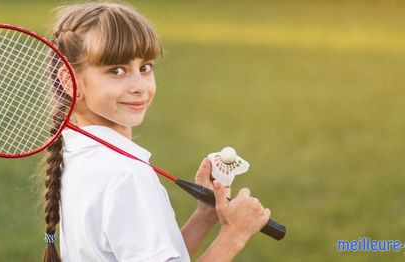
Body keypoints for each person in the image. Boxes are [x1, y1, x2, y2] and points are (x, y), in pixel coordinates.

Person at [41, 2, 271, 261]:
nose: (139, 85)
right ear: (68, 79)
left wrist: (204, 216)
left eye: (145, 67)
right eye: (116, 71)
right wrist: (235, 234)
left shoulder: (79, 152)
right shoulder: (126, 176)